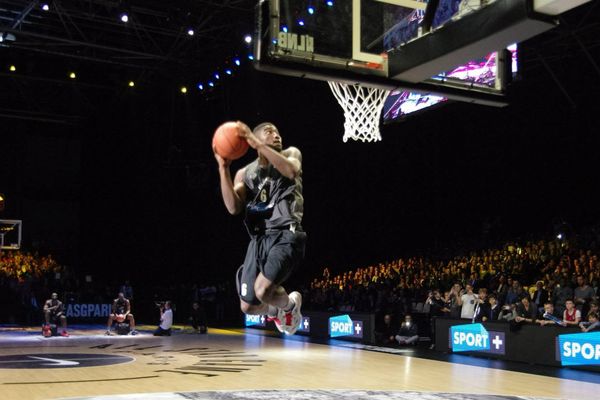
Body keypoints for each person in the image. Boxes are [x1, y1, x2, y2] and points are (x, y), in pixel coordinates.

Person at [214, 121, 306, 335]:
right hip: (259, 240)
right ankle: (279, 309)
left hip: (287, 233)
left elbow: (291, 171)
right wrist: (223, 167)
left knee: (262, 290)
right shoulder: (245, 173)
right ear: (254, 137)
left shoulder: (291, 153)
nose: (276, 135)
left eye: (277, 131)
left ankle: (290, 306)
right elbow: (233, 207)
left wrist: (257, 143)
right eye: (269, 131)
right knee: (247, 306)